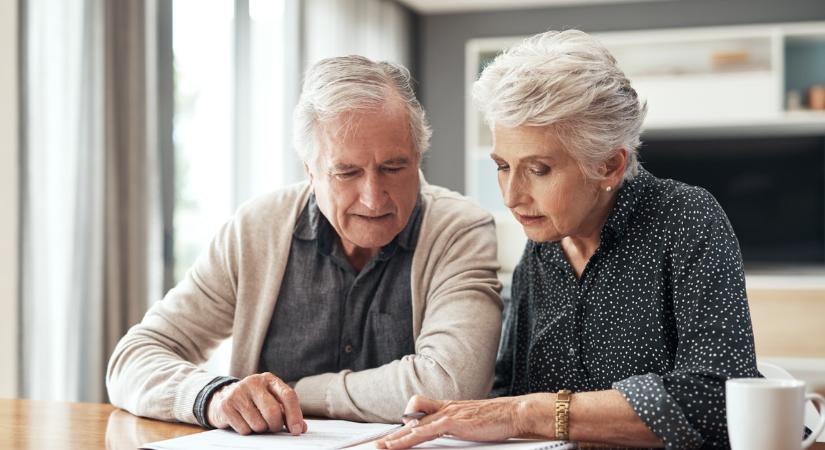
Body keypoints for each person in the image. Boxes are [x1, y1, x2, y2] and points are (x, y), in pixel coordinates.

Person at [377, 30, 759, 450]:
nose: (511, 196)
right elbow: (511, 389)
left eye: (539, 169)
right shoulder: (540, 247)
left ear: (610, 165)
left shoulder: (685, 219)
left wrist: (528, 413)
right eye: (503, 165)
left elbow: (717, 398)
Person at [106, 55, 503, 435]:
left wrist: (299, 392)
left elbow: (451, 384)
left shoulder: (459, 230)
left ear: (418, 158)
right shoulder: (256, 230)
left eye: (393, 168)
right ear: (310, 171)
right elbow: (134, 358)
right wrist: (215, 396)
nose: (373, 197)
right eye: (347, 172)